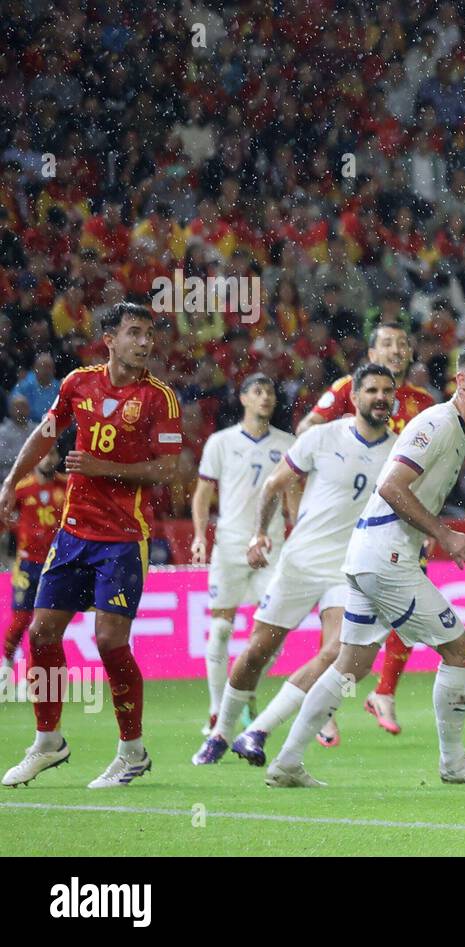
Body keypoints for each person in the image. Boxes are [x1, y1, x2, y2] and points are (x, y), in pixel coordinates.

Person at [264, 343, 465, 788]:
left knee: (351, 664)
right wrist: (444, 535)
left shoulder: (460, 431)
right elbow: (392, 485)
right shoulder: (437, 422)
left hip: (371, 554)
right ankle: (453, 763)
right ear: (463, 380)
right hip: (385, 555)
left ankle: (286, 761)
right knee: (460, 650)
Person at [0, 303, 182, 788]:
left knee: (109, 642)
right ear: (110, 339)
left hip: (124, 539)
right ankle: (48, 742)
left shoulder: (159, 398)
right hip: (73, 533)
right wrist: (10, 483)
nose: (145, 343)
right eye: (135, 334)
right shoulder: (78, 383)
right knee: (40, 634)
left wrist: (105, 469)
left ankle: (132, 752)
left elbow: (169, 470)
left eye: (149, 335)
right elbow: (44, 436)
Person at [191, 364, 396, 766]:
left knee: (337, 651)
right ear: (354, 397)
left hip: (348, 569)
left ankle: (257, 731)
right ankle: (221, 732)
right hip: (299, 561)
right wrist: (259, 533)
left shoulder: (398, 451)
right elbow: (274, 485)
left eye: (388, 391)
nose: (380, 397)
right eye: (371, 390)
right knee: (256, 653)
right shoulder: (321, 437)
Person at [298, 322, 436, 735]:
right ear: (372, 353)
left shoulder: (424, 402)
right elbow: (306, 431)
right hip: (346, 525)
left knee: (408, 607)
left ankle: (385, 693)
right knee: (341, 623)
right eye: (387, 344)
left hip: (401, 521)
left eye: (403, 344)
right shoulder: (346, 390)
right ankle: (322, 703)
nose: (396, 350)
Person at [190, 373, 294, 734]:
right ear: (244, 398)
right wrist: (200, 535)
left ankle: (246, 690)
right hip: (231, 545)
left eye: (270, 392)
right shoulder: (220, 442)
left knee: (274, 633)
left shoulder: (288, 444)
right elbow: (203, 493)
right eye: (258, 391)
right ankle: (218, 708)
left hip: (273, 546)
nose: (265, 397)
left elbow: (295, 496)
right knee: (220, 628)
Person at [1, 449, 66, 680]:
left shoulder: (66, 486)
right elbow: (3, 516)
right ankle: (6, 668)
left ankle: (34, 677)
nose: (48, 458)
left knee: (43, 626)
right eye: (44, 454)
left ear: (58, 459)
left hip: (55, 566)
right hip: (28, 565)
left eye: (52, 455)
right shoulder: (21, 488)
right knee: (20, 622)